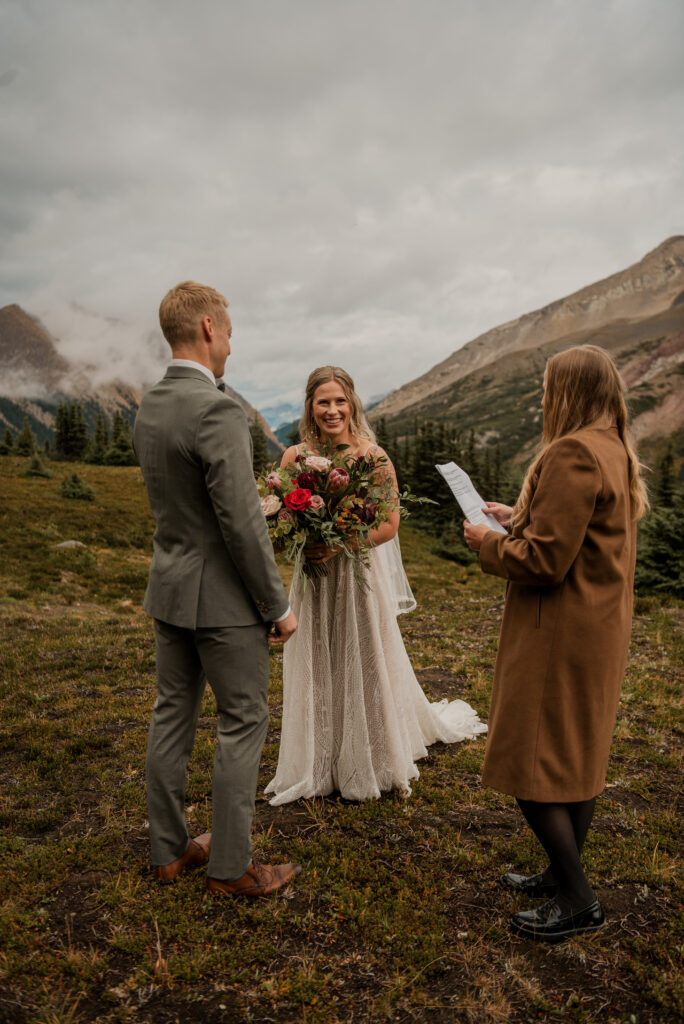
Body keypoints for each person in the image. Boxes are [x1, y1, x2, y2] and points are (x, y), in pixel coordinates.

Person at [464, 344, 648, 943]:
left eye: (548, 387)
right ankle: (560, 871)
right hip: (596, 626)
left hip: (558, 632)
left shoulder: (571, 451)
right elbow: (579, 535)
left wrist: (487, 542)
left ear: (569, 390)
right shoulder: (612, 446)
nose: (542, 398)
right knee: (574, 755)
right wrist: (516, 516)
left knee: (533, 759)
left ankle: (576, 897)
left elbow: (544, 561)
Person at [133, 281, 301, 898]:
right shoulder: (218, 409)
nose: (231, 341)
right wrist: (276, 605)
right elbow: (240, 522)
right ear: (208, 327)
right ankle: (232, 866)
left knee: (172, 713)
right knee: (243, 719)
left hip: (169, 589)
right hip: (223, 602)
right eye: (229, 330)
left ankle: (168, 849)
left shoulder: (151, 404)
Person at [265, 366, 487, 805]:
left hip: (355, 577)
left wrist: (342, 542)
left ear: (352, 404)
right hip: (313, 577)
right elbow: (284, 517)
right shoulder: (294, 458)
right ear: (311, 405)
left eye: (340, 401)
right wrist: (300, 536)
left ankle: (373, 757)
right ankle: (318, 758)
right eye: (323, 401)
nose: (332, 410)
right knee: (317, 656)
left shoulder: (374, 457)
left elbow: (389, 524)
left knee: (363, 658)